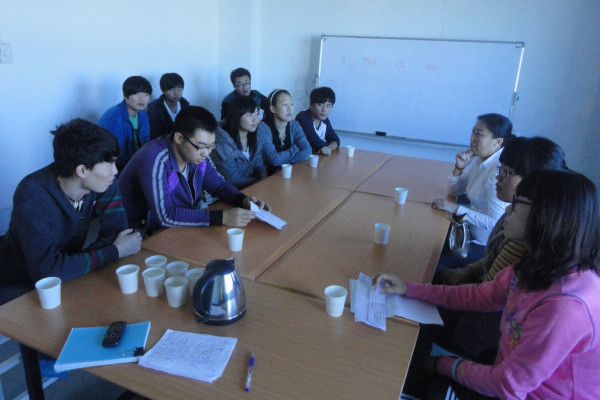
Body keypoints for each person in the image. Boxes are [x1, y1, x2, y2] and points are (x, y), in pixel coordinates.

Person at [374, 170, 600, 400]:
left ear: (547, 215)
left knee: (407, 378)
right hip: (507, 367)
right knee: (410, 344)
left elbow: (507, 385)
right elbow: (483, 296)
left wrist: (441, 364)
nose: (508, 209)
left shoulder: (565, 307)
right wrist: (410, 289)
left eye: (517, 203)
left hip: (530, 393)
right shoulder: (535, 264)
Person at [0, 119, 142, 305]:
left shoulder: (104, 182)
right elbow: (46, 272)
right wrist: (113, 252)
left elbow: (118, 233)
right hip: (19, 286)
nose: (114, 171)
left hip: (69, 279)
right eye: (109, 164)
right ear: (82, 170)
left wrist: (70, 265)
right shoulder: (33, 195)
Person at [118, 106, 270, 233]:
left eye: (211, 146)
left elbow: (217, 185)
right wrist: (222, 217)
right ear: (179, 138)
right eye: (202, 146)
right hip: (140, 230)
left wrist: (242, 200)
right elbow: (165, 216)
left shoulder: (196, 154)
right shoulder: (154, 158)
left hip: (179, 220)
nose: (207, 153)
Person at [432, 113, 514, 268]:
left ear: (497, 142)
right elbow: (454, 192)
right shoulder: (481, 159)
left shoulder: (497, 171)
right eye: (473, 132)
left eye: (479, 134)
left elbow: (495, 222)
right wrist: (458, 168)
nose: (472, 138)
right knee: (429, 236)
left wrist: (456, 209)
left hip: (482, 246)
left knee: (429, 258)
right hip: (465, 231)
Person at [211, 96, 267, 189]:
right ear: (236, 115)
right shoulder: (222, 143)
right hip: (230, 193)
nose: (256, 119)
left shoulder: (255, 135)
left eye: (257, 114)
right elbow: (232, 180)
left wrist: (264, 177)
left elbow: (259, 164)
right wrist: (259, 182)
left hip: (252, 189)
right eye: (250, 115)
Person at [99, 75, 152, 171]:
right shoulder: (113, 117)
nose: (142, 99)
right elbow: (115, 157)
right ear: (125, 95)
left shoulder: (143, 115)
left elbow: (146, 145)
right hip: (116, 169)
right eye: (137, 94)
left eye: (146, 95)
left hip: (136, 164)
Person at [258, 89, 311, 175]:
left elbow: (308, 151)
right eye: (285, 105)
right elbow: (274, 160)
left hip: (288, 172)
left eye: (292, 104)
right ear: (273, 108)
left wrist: (286, 164)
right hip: (267, 176)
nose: (289, 109)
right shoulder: (263, 128)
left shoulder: (294, 125)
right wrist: (295, 149)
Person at [295, 87, 340, 155]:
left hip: (314, 157)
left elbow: (335, 140)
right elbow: (316, 144)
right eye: (320, 105)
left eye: (328, 106)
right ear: (311, 104)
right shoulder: (303, 117)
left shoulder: (324, 119)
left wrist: (329, 148)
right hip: (298, 158)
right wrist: (328, 146)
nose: (324, 110)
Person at [147, 72, 190, 139]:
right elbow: (154, 136)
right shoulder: (154, 109)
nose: (176, 93)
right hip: (162, 143)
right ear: (163, 90)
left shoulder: (185, 105)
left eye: (179, 89)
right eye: (172, 89)